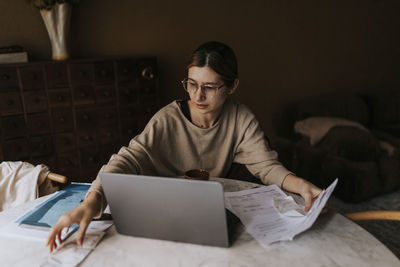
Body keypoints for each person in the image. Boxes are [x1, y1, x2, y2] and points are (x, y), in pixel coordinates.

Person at [46, 41, 322, 252]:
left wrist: (302, 186)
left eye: (210, 87)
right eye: (192, 84)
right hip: (161, 209)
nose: (197, 95)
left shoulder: (241, 118)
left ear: (232, 86)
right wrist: (92, 201)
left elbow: (266, 165)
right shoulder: (168, 119)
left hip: (205, 209)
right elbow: (127, 159)